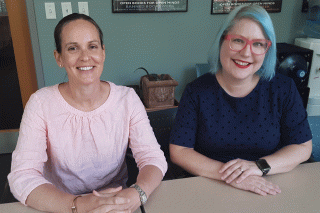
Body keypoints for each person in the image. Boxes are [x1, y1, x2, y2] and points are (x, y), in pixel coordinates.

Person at [8, 13, 167, 213]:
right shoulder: (40, 103)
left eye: (92, 46)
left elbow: (153, 157)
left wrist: (138, 192)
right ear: (59, 58)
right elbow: (22, 176)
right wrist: (77, 205)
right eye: (73, 48)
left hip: (118, 203)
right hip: (61, 204)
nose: (85, 57)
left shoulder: (127, 99)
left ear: (103, 52)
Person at [169, 4, 312, 196]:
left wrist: (258, 167)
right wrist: (235, 176)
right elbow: (179, 151)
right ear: (222, 41)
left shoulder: (283, 88)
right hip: (209, 187)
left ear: (267, 49)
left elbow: (302, 147)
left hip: (269, 185)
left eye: (258, 44)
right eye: (238, 40)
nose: (246, 53)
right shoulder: (197, 91)